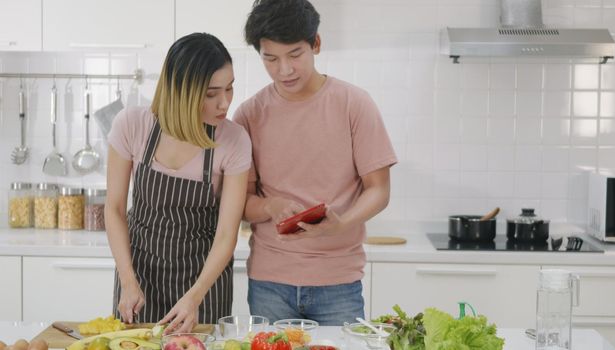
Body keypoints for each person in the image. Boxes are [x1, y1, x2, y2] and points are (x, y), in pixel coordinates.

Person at [233, 0, 397, 325]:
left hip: (338, 282)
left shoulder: (354, 104)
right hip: (270, 281)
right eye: (271, 58)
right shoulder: (249, 115)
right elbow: (240, 204)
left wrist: (343, 223)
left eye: (295, 54)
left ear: (316, 44)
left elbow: (379, 190)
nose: (284, 69)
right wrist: (270, 206)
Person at [106, 32, 251, 333]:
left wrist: (195, 297)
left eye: (229, 88)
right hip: (139, 275)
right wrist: (127, 280)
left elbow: (227, 234)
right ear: (180, 91)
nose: (224, 103)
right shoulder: (132, 124)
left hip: (204, 283)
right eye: (211, 93)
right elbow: (115, 208)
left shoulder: (234, 140)